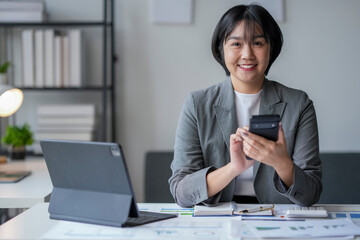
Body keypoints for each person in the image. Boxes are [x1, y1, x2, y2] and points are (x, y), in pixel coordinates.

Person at [169, 4, 322, 208]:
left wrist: (281, 162)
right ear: (220, 49)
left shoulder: (299, 104)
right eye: (236, 44)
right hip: (218, 222)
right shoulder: (196, 104)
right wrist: (233, 168)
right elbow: (182, 192)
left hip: (278, 220)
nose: (247, 54)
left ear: (271, 48)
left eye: (257, 42)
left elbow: (311, 194)